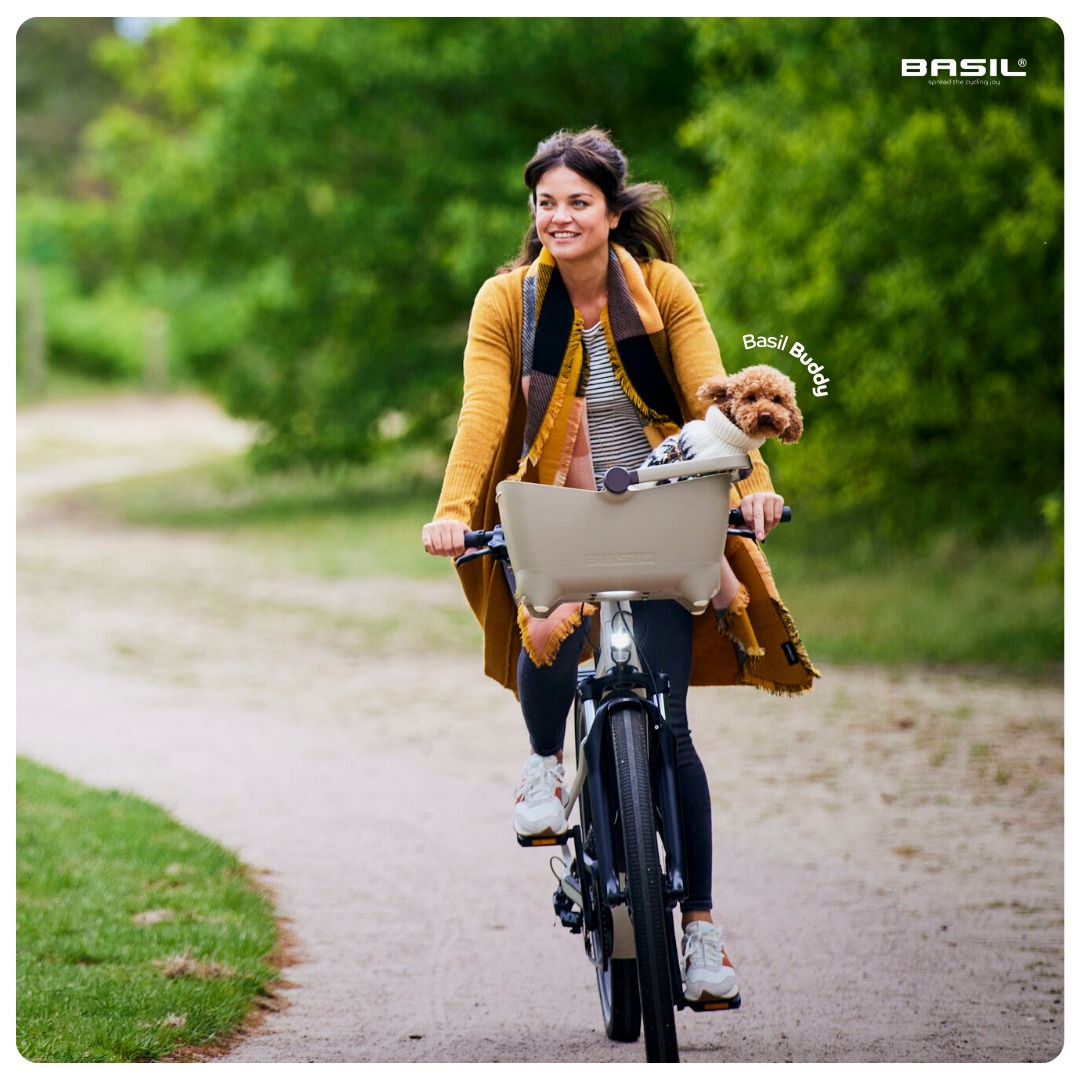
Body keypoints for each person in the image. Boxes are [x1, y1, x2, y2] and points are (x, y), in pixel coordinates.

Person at [422, 128, 817, 1004]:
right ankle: (542, 761)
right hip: (555, 507)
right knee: (548, 622)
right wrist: (454, 511)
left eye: (578, 202)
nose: (559, 217)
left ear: (610, 212)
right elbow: (483, 413)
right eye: (546, 203)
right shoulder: (508, 302)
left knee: (671, 728)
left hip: (664, 510)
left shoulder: (663, 290)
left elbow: (718, 397)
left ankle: (701, 932)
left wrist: (754, 490)